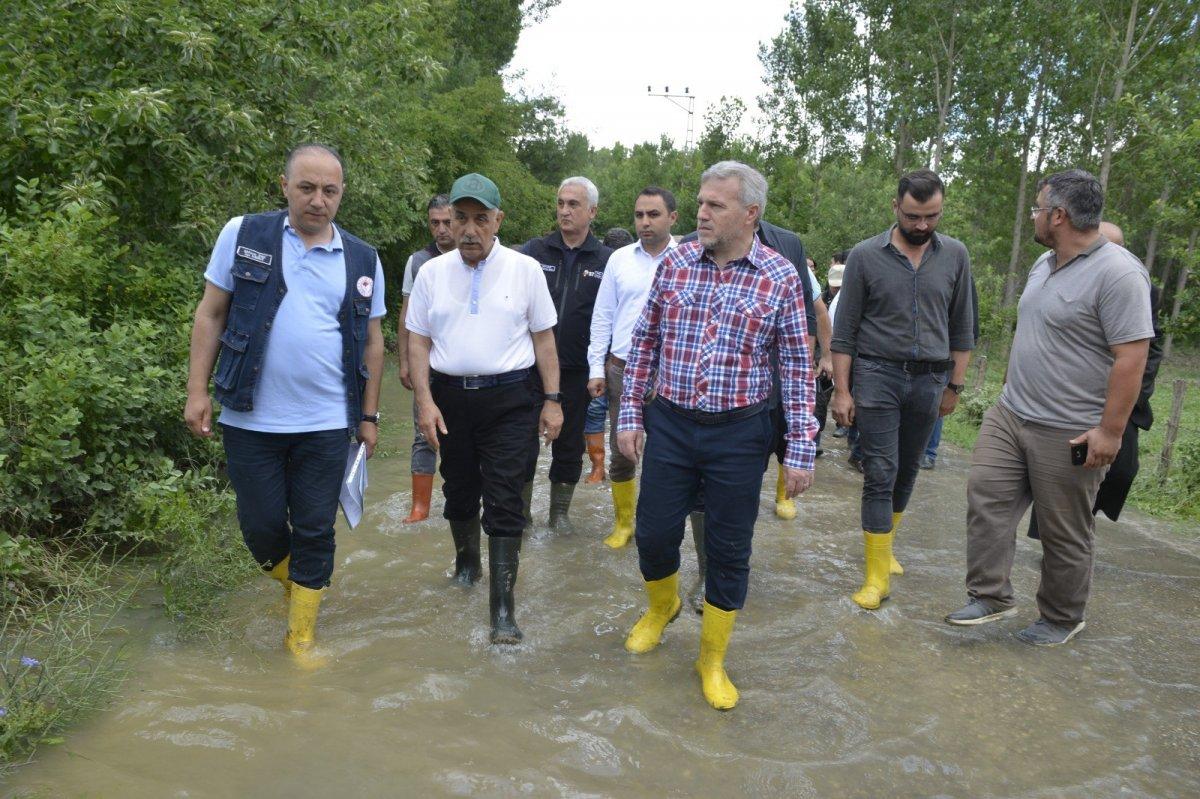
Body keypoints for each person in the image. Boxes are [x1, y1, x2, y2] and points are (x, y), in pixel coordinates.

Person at [617, 161, 816, 710]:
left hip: (740, 433)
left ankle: (711, 659)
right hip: (673, 424)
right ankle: (662, 607)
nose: (700, 214)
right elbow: (645, 343)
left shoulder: (779, 277)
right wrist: (629, 415)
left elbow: (798, 370)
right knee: (654, 532)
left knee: (730, 550)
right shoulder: (677, 262)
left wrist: (800, 450)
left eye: (715, 206)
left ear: (750, 214)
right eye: (701, 203)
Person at [185, 143, 385, 659]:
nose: (318, 200)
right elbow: (210, 314)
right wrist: (197, 390)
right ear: (284, 186)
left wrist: (367, 415)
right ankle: (302, 589)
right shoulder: (244, 234)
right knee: (260, 529)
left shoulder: (363, 258)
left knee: (316, 528)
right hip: (251, 417)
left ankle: (301, 636)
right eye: (307, 187)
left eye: (329, 190)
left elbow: (372, 342)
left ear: (341, 194)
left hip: (326, 421)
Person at [945, 169, 1153, 646]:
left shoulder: (1119, 274)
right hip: (1013, 412)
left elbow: (1132, 357)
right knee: (986, 497)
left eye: (1038, 208)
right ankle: (991, 594)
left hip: (1070, 426)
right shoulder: (1046, 262)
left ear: (1058, 215)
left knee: (1063, 529)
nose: (1034, 216)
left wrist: (1111, 432)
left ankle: (1061, 616)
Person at [405, 172, 563, 645]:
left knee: (505, 497)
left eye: (480, 219)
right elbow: (417, 340)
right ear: (448, 223)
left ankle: (502, 611)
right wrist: (424, 401)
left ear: (498, 221)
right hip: (450, 399)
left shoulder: (525, 269)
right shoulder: (432, 273)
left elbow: (543, 339)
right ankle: (467, 565)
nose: (469, 230)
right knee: (458, 492)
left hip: (511, 400)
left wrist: (553, 401)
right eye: (460, 219)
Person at [831, 168, 975, 610]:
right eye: (914, 216)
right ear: (896, 208)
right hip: (877, 374)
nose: (922, 225)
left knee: (909, 468)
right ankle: (876, 578)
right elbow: (845, 330)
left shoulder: (955, 255)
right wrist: (842, 390)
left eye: (931, 216)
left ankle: (885, 546)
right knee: (879, 470)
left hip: (931, 378)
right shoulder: (864, 255)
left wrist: (955, 384)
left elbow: (963, 326)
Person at [1026, 220, 1164, 539]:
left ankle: (1082, 522)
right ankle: (1054, 534)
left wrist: (1135, 395)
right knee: (1067, 467)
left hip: (1121, 395)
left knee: (1122, 468)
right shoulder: (1066, 274)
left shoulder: (1137, 285)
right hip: (1072, 396)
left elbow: (1148, 347)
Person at [521, 177, 614, 531]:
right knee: (521, 443)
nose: (564, 211)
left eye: (573, 204)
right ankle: (523, 513)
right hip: (529, 368)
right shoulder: (533, 251)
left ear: (592, 211)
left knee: (570, 444)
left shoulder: (608, 260)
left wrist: (602, 368)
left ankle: (559, 515)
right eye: (560, 203)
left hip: (578, 370)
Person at [397, 195, 455, 522]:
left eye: (447, 222)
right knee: (423, 433)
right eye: (435, 223)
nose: (442, 229)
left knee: (458, 434)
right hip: (425, 360)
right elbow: (407, 314)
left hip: (459, 362)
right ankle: (420, 507)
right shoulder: (418, 262)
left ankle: (458, 500)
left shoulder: (471, 255)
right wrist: (404, 361)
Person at [581, 229, 636, 484]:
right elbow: (599, 317)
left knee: (599, 414)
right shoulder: (602, 271)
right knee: (595, 411)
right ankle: (598, 465)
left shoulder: (630, 270)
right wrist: (597, 363)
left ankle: (602, 467)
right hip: (600, 356)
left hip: (621, 356)